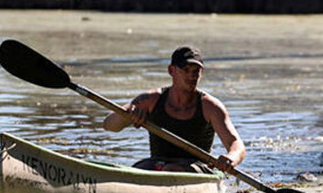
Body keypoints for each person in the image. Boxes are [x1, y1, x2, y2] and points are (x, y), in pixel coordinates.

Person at [103, 46, 245, 174]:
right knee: (135, 170)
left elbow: (236, 145)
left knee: (170, 170)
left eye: (196, 71)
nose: (192, 76)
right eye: (186, 70)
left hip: (196, 167)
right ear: (172, 70)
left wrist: (231, 158)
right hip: (157, 164)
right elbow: (109, 125)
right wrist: (126, 116)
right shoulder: (150, 100)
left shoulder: (211, 107)